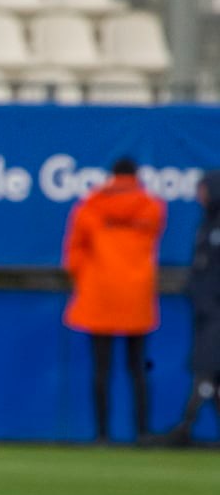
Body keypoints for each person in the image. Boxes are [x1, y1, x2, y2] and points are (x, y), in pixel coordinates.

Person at [63, 156, 167, 442]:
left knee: (101, 369)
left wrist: (87, 279)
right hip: (137, 294)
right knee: (138, 369)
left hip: (99, 293)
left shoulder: (90, 206)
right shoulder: (151, 207)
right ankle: (142, 432)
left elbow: (74, 254)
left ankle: (102, 435)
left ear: (112, 175)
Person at [166, 170, 220, 445]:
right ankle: (185, 426)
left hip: (215, 311)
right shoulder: (207, 222)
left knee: (207, 368)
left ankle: (185, 426)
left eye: (203, 190)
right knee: (210, 370)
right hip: (206, 311)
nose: (199, 196)